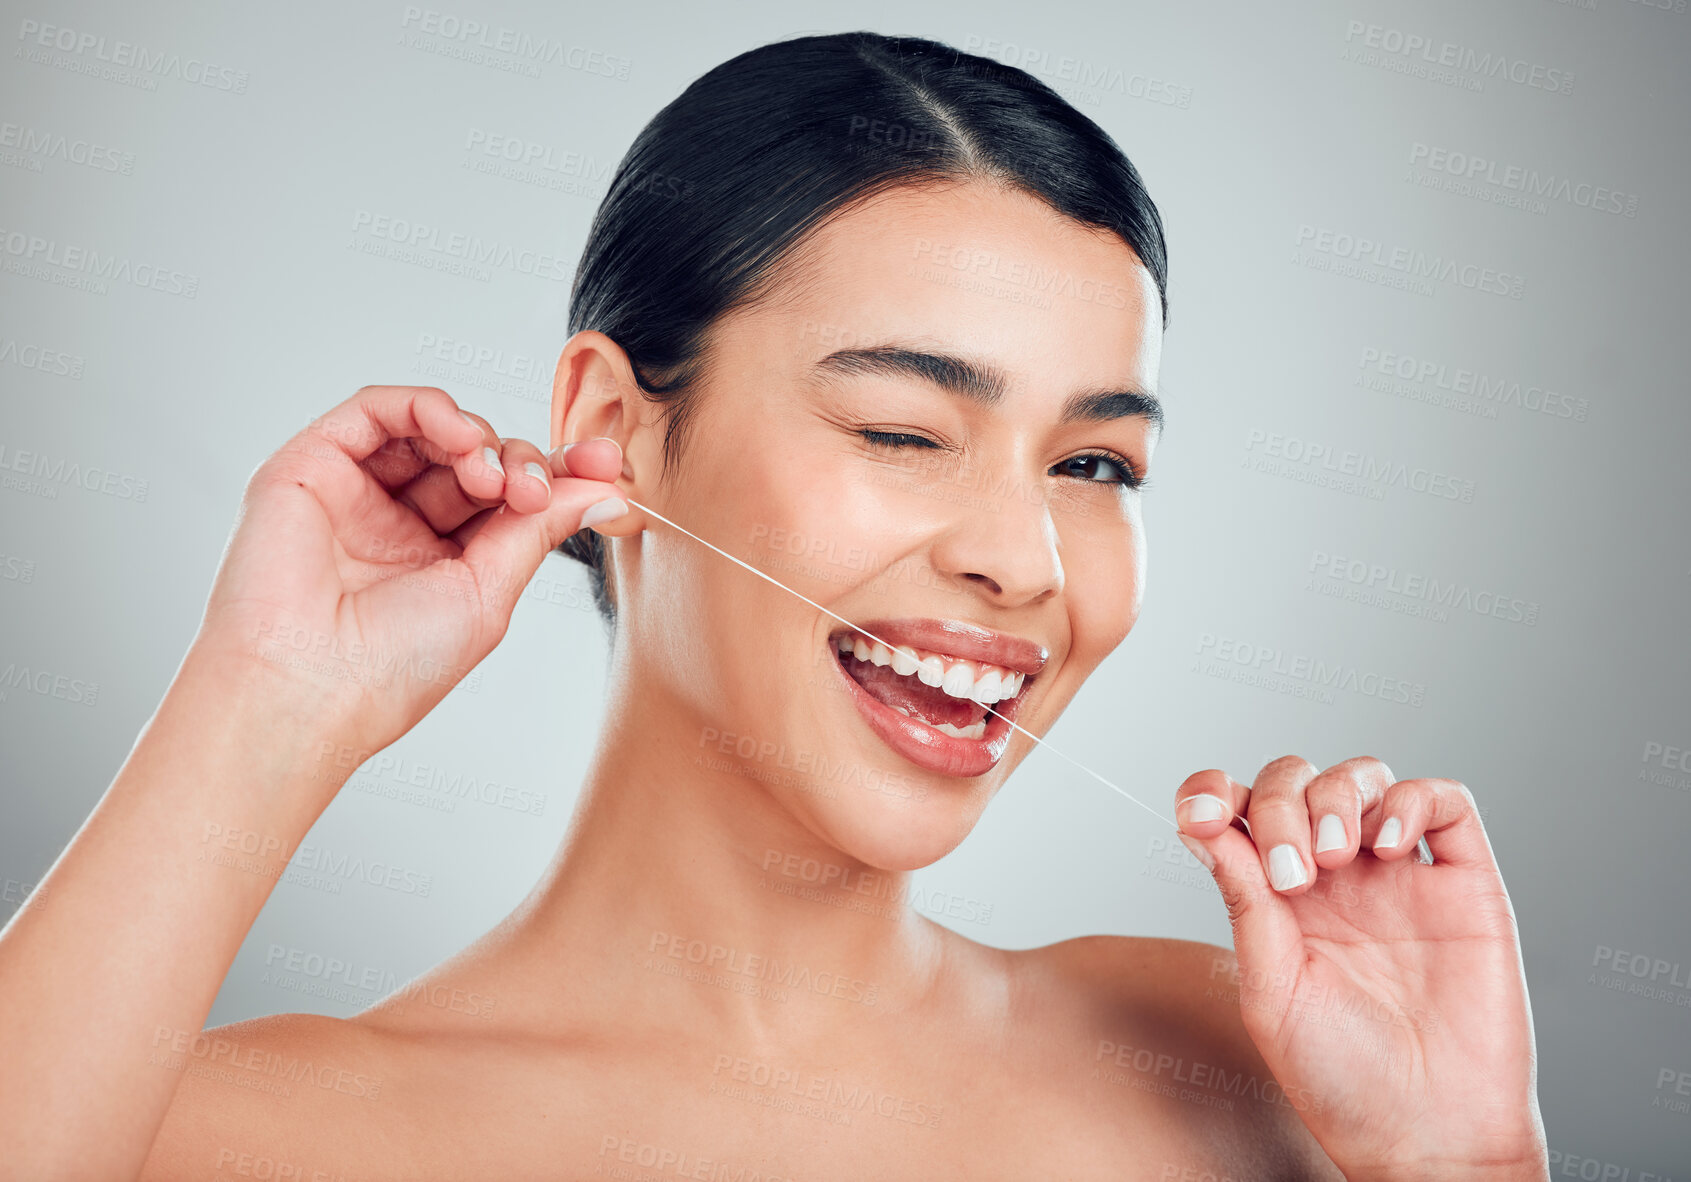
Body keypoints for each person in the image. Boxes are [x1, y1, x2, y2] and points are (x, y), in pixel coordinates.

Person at [0, 31, 1550, 1181]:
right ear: (612, 433)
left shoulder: (1245, 1063)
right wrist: (264, 701)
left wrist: (1467, 1165)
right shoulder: (216, 1132)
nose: (1027, 561)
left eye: (1094, 459)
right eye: (900, 430)